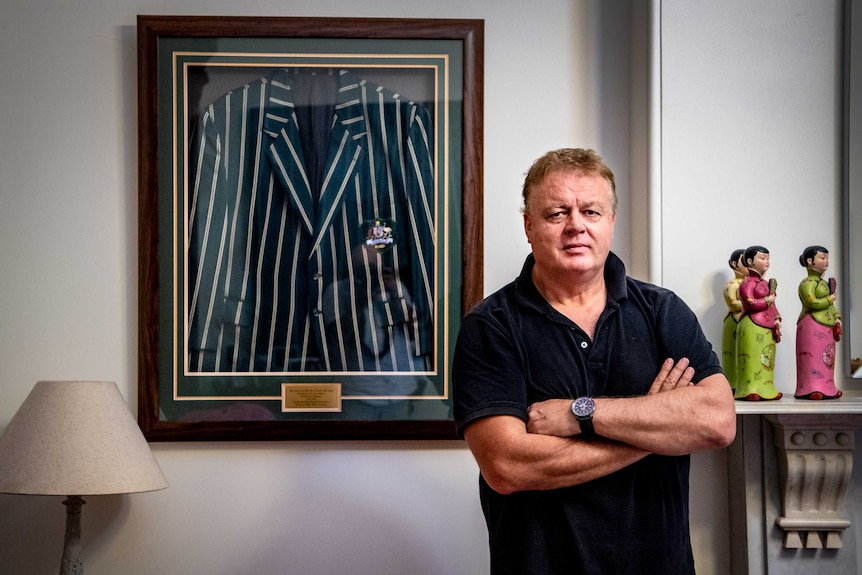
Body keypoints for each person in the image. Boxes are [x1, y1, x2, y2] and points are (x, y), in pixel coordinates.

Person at [452, 148, 737, 574]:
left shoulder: (662, 311)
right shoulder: (490, 326)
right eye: (556, 214)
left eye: (591, 211)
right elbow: (508, 466)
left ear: (611, 223)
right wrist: (657, 429)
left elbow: (717, 422)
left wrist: (579, 414)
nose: (576, 227)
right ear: (529, 226)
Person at [734, 245, 783, 401]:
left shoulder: (766, 284)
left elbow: (773, 306)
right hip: (752, 325)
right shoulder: (746, 284)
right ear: (750, 261)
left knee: (767, 359)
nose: (767, 262)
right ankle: (749, 389)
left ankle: (767, 388)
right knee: (751, 359)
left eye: (768, 258)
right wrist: (768, 299)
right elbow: (750, 304)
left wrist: (777, 319)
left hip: (767, 327)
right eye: (762, 258)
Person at [795, 245, 842, 399]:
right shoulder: (806, 283)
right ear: (810, 261)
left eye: (827, 258)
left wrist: (837, 318)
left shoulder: (823, 283)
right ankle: (810, 387)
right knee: (812, 357)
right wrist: (829, 299)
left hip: (826, 327)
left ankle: (828, 387)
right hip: (811, 324)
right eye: (822, 258)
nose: (826, 261)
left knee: (827, 357)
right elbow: (812, 302)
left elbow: (831, 305)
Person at [722, 248, 747, 393]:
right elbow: (732, 303)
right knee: (732, 355)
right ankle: (732, 383)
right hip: (734, 322)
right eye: (743, 261)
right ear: (733, 264)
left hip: (746, 322)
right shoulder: (732, 285)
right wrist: (753, 303)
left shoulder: (751, 284)